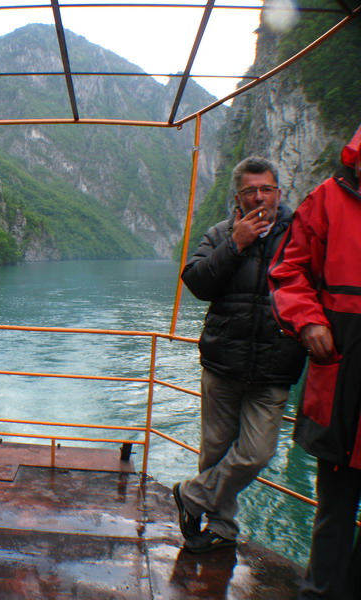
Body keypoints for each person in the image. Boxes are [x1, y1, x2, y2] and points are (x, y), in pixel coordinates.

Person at [173, 156, 307, 553]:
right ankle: (222, 528)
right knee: (215, 452)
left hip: (275, 365)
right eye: (250, 191)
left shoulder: (302, 234)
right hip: (223, 363)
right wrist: (236, 244)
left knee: (256, 453)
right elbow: (197, 283)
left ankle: (191, 496)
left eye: (266, 189)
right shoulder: (220, 233)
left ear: (279, 192)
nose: (259, 197)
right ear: (238, 197)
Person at [268, 125, 361, 600]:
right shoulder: (327, 199)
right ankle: (320, 594)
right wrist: (308, 320)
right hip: (343, 378)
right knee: (335, 506)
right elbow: (288, 271)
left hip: (340, 372)